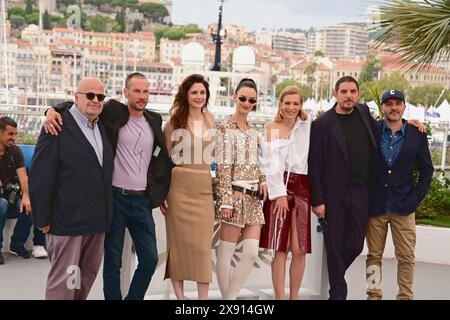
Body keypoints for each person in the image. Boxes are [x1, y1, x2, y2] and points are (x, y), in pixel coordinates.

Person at [43, 72, 173, 300]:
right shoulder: (113, 111)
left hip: (142, 200)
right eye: (136, 91)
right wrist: (51, 111)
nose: (142, 96)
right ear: (126, 93)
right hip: (115, 199)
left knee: (150, 258)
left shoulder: (154, 120)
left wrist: (160, 191)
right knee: (112, 262)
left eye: (145, 92)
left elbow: (160, 159)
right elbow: (83, 103)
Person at [30, 78, 114, 300]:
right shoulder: (57, 125)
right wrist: (42, 220)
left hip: (96, 222)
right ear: (76, 96)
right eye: (89, 95)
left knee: (84, 281)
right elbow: (40, 177)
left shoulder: (102, 125)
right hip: (67, 222)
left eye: (100, 97)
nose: (95, 101)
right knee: (64, 284)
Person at [308, 76, 378, 300]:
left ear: (358, 94)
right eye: (344, 91)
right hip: (333, 196)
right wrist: (318, 200)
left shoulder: (364, 113)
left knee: (356, 244)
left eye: (353, 91)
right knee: (334, 246)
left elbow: (384, 129)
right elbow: (315, 165)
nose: (349, 96)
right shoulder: (321, 124)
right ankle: (338, 294)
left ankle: (336, 281)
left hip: (360, 192)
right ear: (335, 94)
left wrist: (409, 124)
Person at [366, 89, 433, 300]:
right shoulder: (372, 130)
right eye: (389, 104)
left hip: (404, 207)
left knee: (406, 257)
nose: (393, 108)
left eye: (398, 103)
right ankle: (373, 294)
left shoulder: (417, 134)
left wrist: (415, 198)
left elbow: (427, 170)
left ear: (404, 106)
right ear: (383, 107)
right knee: (373, 256)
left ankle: (405, 296)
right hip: (376, 205)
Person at [160, 74, 215, 300]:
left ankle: (202, 301)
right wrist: (162, 192)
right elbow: (163, 159)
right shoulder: (174, 121)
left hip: (204, 189)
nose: (199, 96)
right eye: (194, 92)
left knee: (203, 250)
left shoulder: (211, 119)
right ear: (186, 94)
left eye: (202, 92)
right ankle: (181, 299)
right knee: (178, 248)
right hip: (178, 191)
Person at [215, 78, 268, 300]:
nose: (247, 103)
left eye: (252, 100)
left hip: (254, 198)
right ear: (234, 97)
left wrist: (263, 179)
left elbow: (258, 161)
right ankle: (230, 301)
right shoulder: (225, 127)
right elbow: (223, 167)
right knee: (226, 252)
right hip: (234, 196)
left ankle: (231, 297)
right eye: (243, 98)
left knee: (251, 252)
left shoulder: (254, 131)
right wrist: (225, 200)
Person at [259, 86, 312, 300]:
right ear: (281, 104)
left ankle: (294, 297)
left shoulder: (309, 126)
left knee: (299, 249)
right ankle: (279, 297)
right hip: (279, 187)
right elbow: (270, 164)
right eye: (287, 103)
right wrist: (279, 194)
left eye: (295, 103)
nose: (291, 107)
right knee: (281, 248)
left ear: (301, 105)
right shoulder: (271, 127)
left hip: (303, 187)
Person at [0, 117, 36, 264]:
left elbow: (23, 178)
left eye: (15, 134)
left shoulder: (15, 151)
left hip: (12, 194)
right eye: (10, 134)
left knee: (29, 204)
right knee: (1, 204)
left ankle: (17, 244)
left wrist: (26, 195)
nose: (13, 138)